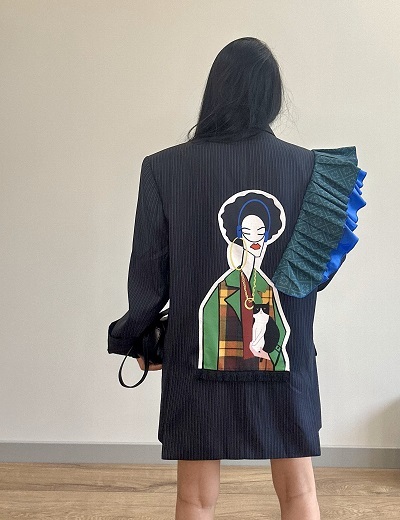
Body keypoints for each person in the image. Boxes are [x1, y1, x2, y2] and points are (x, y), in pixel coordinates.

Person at [108, 37, 367, 520]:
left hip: (197, 359)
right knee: (300, 494)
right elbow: (313, 276)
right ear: (272, 98)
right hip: (284, 362)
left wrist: (137, 338)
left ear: (215, 91)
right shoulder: (315, 172)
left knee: (194, 499)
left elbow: (148, 274)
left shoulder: (164, 168)